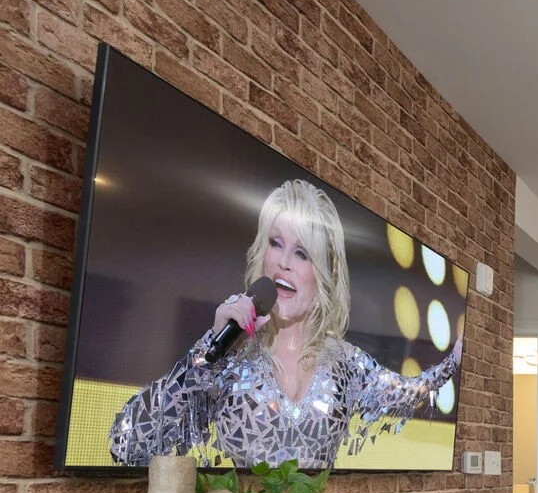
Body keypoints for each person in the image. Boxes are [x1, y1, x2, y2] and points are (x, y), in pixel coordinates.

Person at [109, 178, 462, 469]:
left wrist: (460, 355)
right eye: (276, 244)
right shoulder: (228, 356)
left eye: (302, 253)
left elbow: (412, 391)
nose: (283, 263)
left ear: (324, 273)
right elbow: (126, 444)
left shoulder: (346, 363)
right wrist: (208, 353)